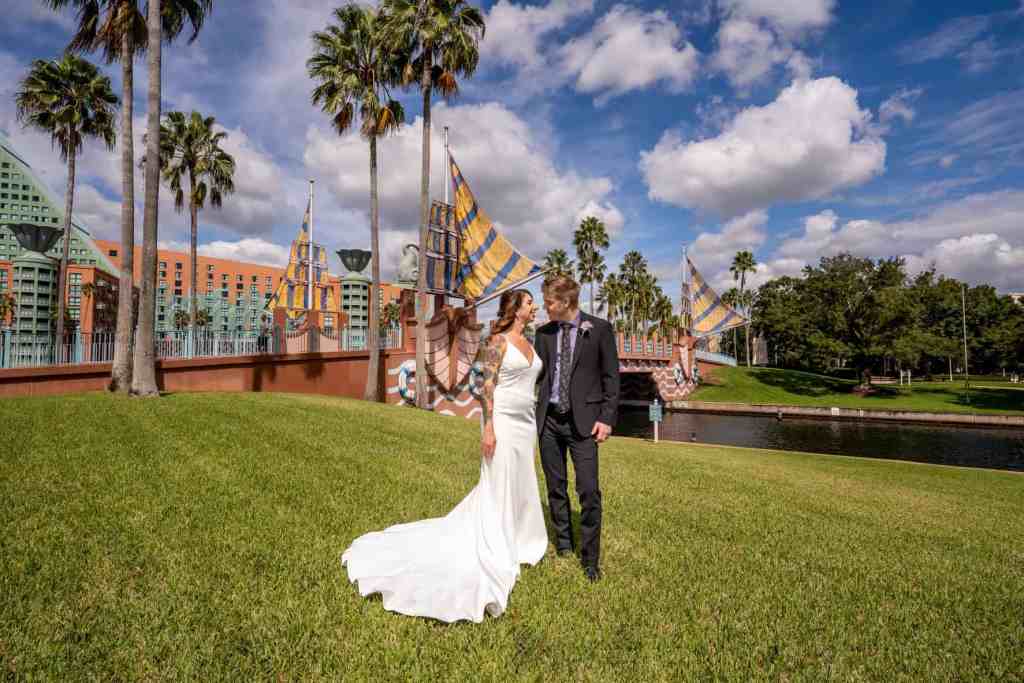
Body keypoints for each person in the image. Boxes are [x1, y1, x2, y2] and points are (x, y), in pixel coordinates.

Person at [341, 289, 547, 622]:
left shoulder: (531, 343)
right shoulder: (497, 342)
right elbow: (486, 387)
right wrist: (489, 427)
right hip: (503, 420)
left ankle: (524, 538)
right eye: (529, 303)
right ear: (515, 309)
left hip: (526, 423)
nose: (534, 307)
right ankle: (499, 540)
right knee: (500, 479)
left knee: (522, 480)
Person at [533, 275, 620, 583]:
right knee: (555, 486)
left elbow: (611, 377)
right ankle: (564, 544)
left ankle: (590, 559)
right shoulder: (543, 334)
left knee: (589, 490)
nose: (545, 308)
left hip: (584, 424)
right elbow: (538, 375)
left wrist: (606, 418)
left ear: (565, 302)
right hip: (549, 421)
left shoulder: (599, 329)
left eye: (549, 303)